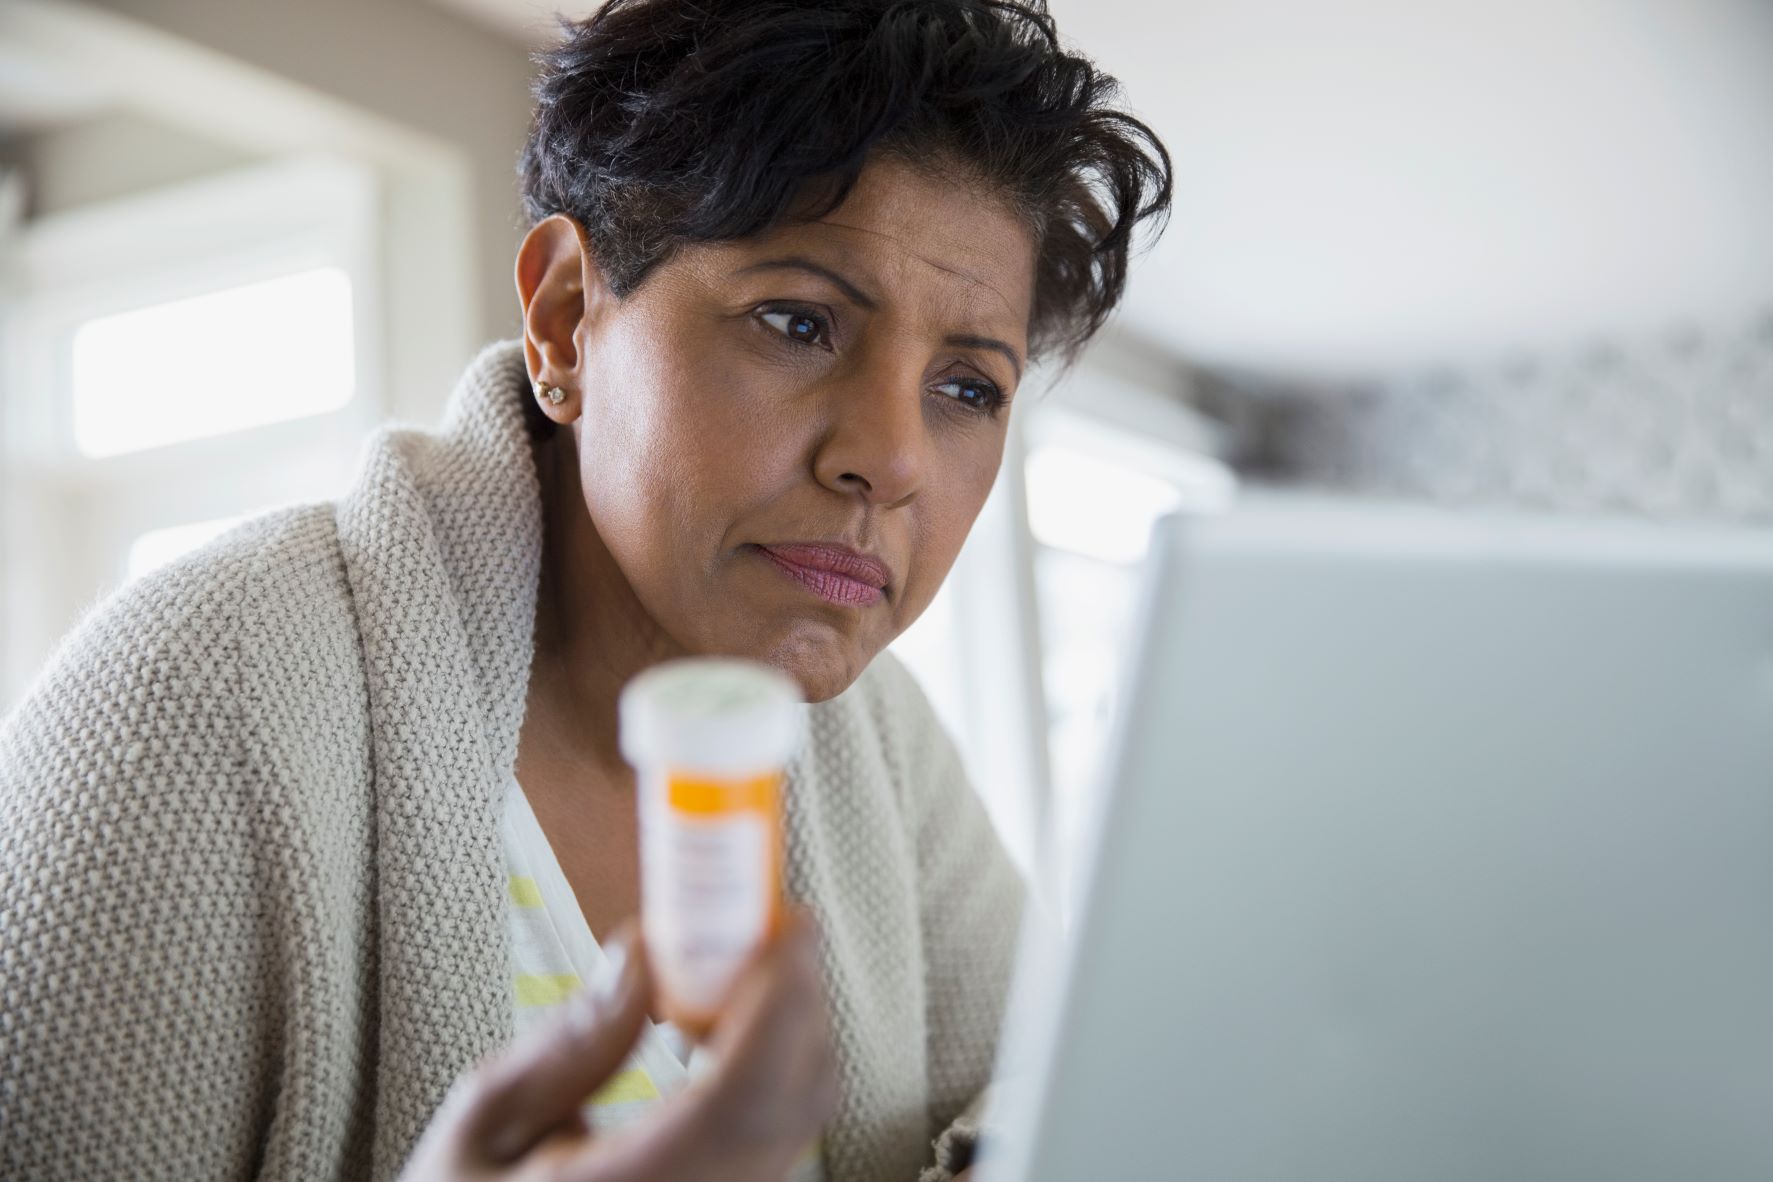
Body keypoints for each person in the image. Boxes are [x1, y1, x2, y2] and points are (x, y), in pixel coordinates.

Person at [0, 1, 1170, 1178]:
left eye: (968, 389)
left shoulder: (887, 751)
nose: (892, 458)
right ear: (565, 320)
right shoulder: (189, 703)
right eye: (798, 322)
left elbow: (1055, 1104)